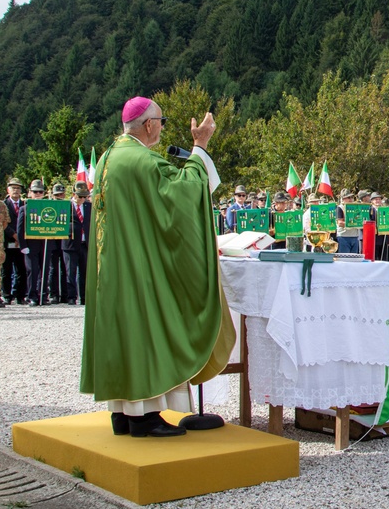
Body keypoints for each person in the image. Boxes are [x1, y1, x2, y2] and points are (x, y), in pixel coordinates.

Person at [80, 96, 235, 438]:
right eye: (162, 122)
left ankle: (122, 413)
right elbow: (183, 194)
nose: (162, 129)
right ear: (148, 124)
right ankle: (143, 418)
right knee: (143, 329)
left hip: (114, 267)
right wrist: (201, 146)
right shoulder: (140, 161)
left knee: (123, 331)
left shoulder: (108, 158)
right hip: (137, 267)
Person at [16, 179, 48, 306]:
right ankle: (32, 296)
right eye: (35, 192)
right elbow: (20, 228)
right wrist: (23, 245)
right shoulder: (25, 208)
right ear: (30, 193)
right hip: (30, 245)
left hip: (45, 243)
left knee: (44, 271)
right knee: (32, 271)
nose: (38, 194)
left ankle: (43, 295)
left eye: (40, 192)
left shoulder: (49, 207)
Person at [62, 182, 91, 305]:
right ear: (74, 194)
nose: (82, 199)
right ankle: (71, 297)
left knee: (84, 272)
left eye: (85, 196)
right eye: (80, 196)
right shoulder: (66, 206)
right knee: (70, 271)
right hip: (70, 244)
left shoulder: (88, 206)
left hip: (85, 243)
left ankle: (84, 297)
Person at [3, 178, 26, 305]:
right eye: (13, 188)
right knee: (6, 270)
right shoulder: (3, 205)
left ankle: (20, 295)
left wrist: (21, 238)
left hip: (22, 242)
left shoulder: (25, 205)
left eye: (18, 188)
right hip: (7, 241)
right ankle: (7, 295)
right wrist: (14, 235)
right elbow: (3, 223)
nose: (16, 190)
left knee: (21, 269)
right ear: (8, 190)